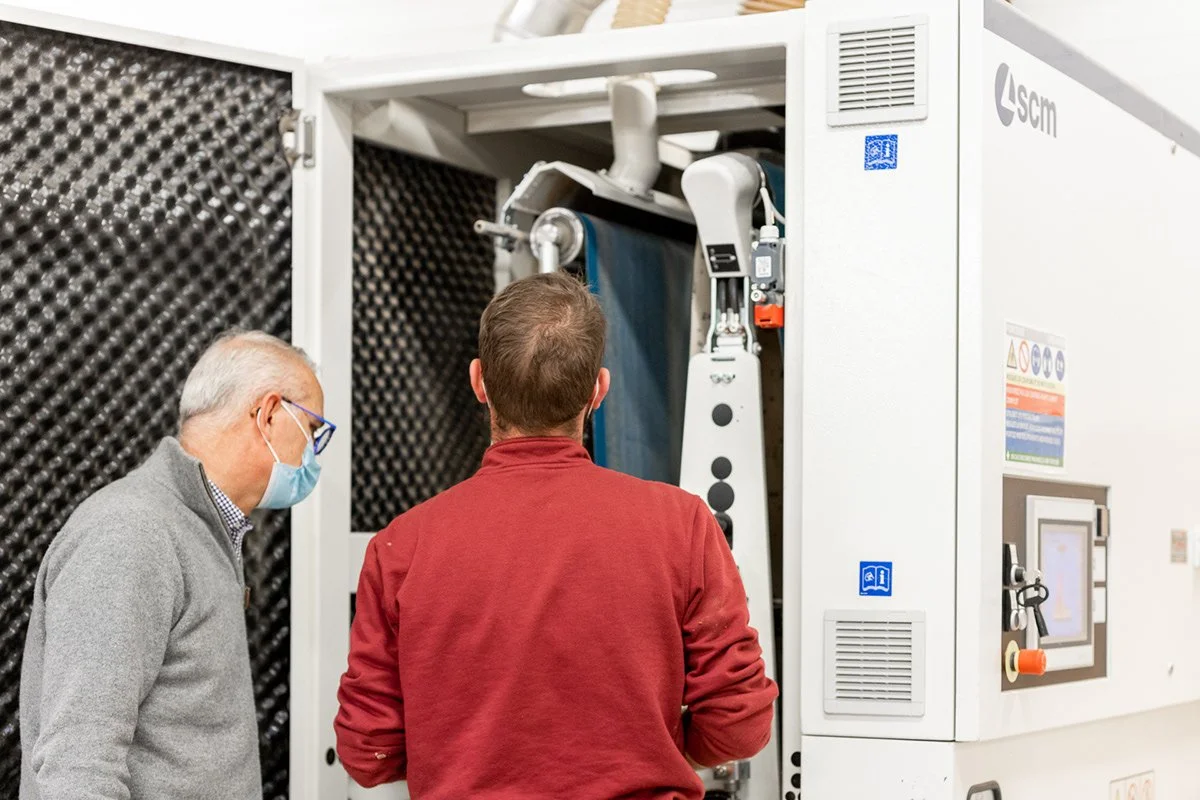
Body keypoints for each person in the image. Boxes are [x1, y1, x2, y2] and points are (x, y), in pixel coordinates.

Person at [335, 272, 776, 799]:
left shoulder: (400, 547)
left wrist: (462, 753)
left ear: (479, 382)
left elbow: (368, 750)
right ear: (598, 391)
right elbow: (739, 723)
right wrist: (652, 746)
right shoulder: (681, 525)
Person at [20, 330, 335, 800]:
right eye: (311, 431)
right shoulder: (131, 534)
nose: (312, 453)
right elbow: (78, 766)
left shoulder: (200, 531)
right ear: (269, 414)